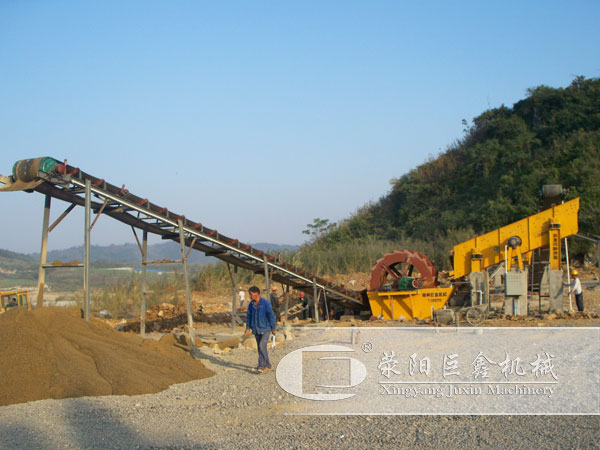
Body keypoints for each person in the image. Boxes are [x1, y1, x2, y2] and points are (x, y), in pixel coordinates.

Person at [245, 286, 276, 373]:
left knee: (262, 345)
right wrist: (247, 328)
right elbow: (248, 317)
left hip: (266, 328)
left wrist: (273, 328)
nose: (250, 296)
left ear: (257, 293)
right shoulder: (251, 305)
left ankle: (261, 365)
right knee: (260, 348)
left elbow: (271, 316)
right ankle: (266, 365)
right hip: (256, 329)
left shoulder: (265, 303)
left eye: (251, 294)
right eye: (250, 295)